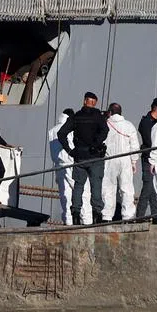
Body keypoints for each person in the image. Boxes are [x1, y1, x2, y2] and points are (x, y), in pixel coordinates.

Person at [57, 91, 108, 225]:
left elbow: (61, 133)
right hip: (95, 157)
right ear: (94, 102)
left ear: (84, 101)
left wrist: (70, 150)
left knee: (78, 187)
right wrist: (96, 143)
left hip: (79, 157)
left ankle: (75, 216)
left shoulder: (76, 117)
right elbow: (105, 131)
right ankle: (97, 217)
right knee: (96, 186)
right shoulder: (98, 116)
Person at [101, 103, 140, 222]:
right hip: (126, 159)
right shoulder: (129, 125)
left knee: (108, 188)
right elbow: (134, 145)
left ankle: (107, 216)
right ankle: (128, 216)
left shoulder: (106, 124)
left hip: (110, 159)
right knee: (127, 188)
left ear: (110, 112)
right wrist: (134, 161)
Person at [48, 108, 80, 225]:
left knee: (64, 194)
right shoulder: (70, 129)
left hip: (58, 165)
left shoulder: (52, 131)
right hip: (70, 163)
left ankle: (68, 220)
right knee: (80, 191)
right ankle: (84, 219)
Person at [136, 98, 157, 219]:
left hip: (156, 158)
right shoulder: (147, 122)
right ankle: (139, 215)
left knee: (154, 188)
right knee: (148, 186)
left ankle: (156, 215)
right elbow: (149, 141)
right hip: (149, 158)